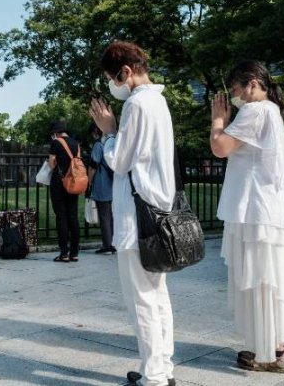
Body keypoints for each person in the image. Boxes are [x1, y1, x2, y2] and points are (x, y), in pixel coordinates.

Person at [89, 40, 176, 386]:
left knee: (141, 298)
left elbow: (121, 160)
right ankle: (162, 368)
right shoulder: (158, 101)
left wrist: (110, 133)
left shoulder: (138, 105)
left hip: (136, 217)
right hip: (157, 210)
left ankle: (153, 375)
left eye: (113, 77)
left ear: (126, 72)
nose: (113, 85)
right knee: (157, 295)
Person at [210, 60, 284, 373]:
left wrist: (218, 120)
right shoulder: (271, 111)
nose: (235, 97)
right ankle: (272, 345)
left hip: (255, 209)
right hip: (270, 207)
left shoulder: (255, 110)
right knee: (270, 278)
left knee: (259, 278)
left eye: (235, 90)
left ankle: (269, 351)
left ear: (251, 83)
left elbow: (220, 147)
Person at [48, 121, 81, 262]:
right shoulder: (76, 143)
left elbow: (51, 163)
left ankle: (64, 253)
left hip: (59, 183)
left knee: (61, 217)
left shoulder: (56, 143)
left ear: (55, 133)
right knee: (73, 216)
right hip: (74, 182)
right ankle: (74, 252)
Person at [88, 124, 116, 254]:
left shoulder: (98, 145)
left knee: (104, 216)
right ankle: (114, 242)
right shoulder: (111, 143)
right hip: (112, 185)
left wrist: (88, 181)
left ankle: (107, 245)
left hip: (102, 185)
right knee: (111, 216)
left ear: (95, 132)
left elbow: (93, 165)